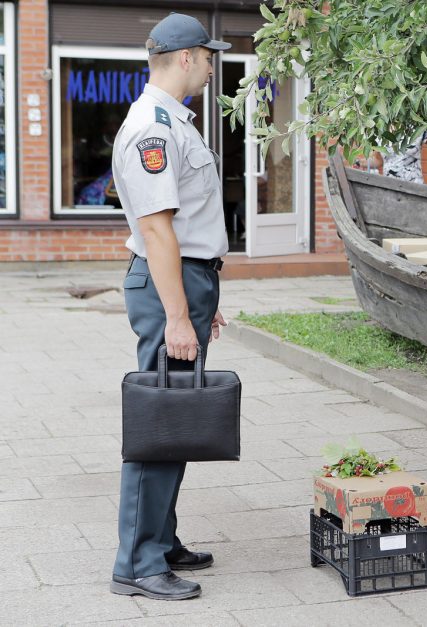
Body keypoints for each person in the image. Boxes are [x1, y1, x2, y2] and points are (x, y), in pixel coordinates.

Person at [108, 14, 231, 601]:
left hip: (186, 281)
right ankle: (136, 564)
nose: (212, 65)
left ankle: (162, 540)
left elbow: (191, 224)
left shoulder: (174, 122)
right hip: (167, 286)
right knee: (159, 423)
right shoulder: (153, 129)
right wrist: (179, 314)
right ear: (186, 58)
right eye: (209, 56)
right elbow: (157, 231)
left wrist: (204, 299)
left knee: (178, 420)